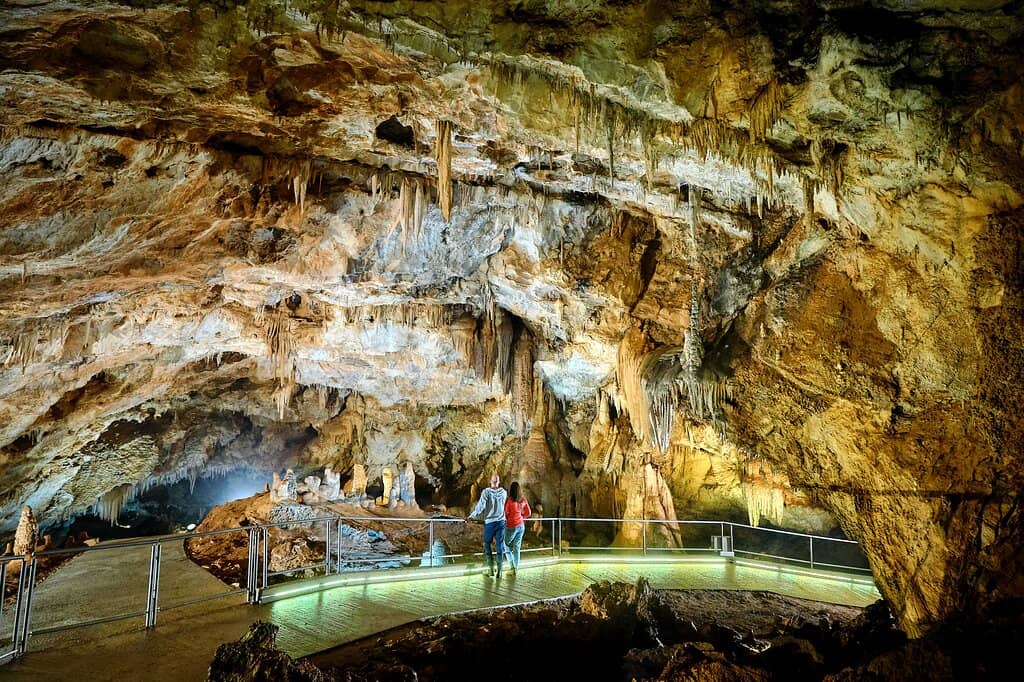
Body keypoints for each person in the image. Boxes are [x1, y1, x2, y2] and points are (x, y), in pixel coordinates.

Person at [465, 473, 507, 577]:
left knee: (487, 543)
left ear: (490, 482)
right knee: (499, 546)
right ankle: (500, 571)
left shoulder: (486, 492)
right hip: (501, 522)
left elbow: (480, 507)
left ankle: (491, 569)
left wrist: (471, 516)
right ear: (499, 482)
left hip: (490, 523)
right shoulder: (504, 492)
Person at [502, 481, 531, 575]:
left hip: (511, 526)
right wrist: (522, 516)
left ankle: (512, 566)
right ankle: (516, 568)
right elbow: (528, 513)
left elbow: (505, 513)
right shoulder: (523, 499)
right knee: (516, 548)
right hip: (521, 526)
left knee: (506, 545)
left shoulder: (510, 501)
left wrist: (508, 519)